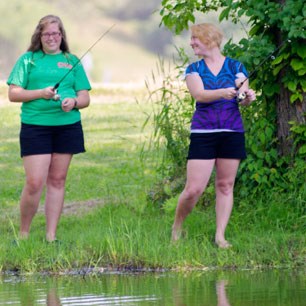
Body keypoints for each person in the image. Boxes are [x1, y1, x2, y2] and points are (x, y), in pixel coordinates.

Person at [7, 15, 91, 242]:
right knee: (35, 182)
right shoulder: (28, 60)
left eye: (55, 33)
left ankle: (51, 237)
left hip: (67, 126)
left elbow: (85, 97)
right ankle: (23, 234)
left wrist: (73, 102)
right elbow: (13, 94)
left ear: (61, 35)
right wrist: (41, 93)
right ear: (39, 36)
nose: (51, 37)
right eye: (47, 34)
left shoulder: (72, 60)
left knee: (57, 180)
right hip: (36, 127)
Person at [171, 23, 256, 248]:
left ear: (208, 39)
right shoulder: (194, 70)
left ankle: (220, 236)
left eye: (195, 38)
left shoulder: (236, 67)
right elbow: (199, 95)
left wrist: (247, 96)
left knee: (225, 185)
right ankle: (177, 228)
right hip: (204, 133)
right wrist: (223, 92)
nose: (191, 43)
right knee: (194, 189)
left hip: (232, 132)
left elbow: (242, 93)